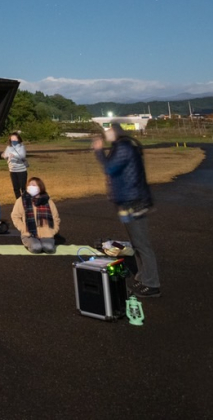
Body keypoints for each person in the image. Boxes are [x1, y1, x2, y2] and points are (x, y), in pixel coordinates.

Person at [94, 124, 161, 298]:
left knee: (142, 245)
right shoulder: (122, 146)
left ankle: (152, 284)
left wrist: (99, 151)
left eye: (108, 129)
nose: (106, 132)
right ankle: (143, 277)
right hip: (128, 201)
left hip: (134, 201)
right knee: (137, 244)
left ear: (116, 132)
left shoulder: (123, 147)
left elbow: (110, 168)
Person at [10, 177, 61, 253]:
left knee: (49, 248)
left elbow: (55, 217)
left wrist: (53, 231)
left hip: (46, 233)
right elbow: (15, 216)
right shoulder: (21, 200)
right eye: (29, 185)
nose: (31, 187)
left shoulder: (48, 201)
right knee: (36, 248)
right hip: (29, 233)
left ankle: (46, 241)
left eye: (34, 185)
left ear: (40, 187)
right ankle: (32, 242)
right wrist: (23, 228)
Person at [2, 131, 29, 199]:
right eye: (12, 139)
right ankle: (18, 201)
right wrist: (4, 155)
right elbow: (6, 155)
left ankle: (25, 200)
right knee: (16, 188)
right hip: (12, 170)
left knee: (23, 187)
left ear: (18, 139)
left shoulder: (21, 147)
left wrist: (14, 155)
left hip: (21, 170)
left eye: (15, 139)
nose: (13, 140)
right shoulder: (9, 147)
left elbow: (22, 156)